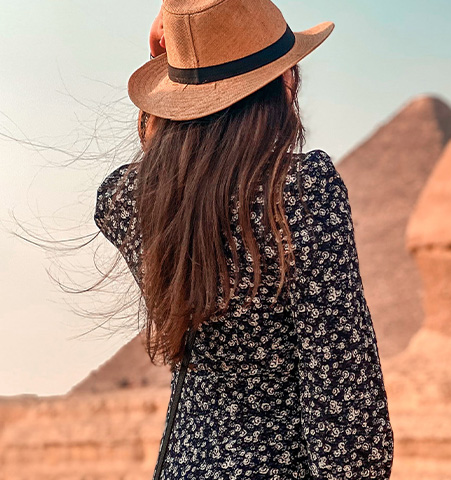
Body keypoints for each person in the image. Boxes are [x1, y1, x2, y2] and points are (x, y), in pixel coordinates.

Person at [94, 0, 393, 478]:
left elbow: (159, 165)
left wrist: (174, 59)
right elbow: (344, 404)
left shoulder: (126, 200)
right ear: (279, 86)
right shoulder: (300, 191)